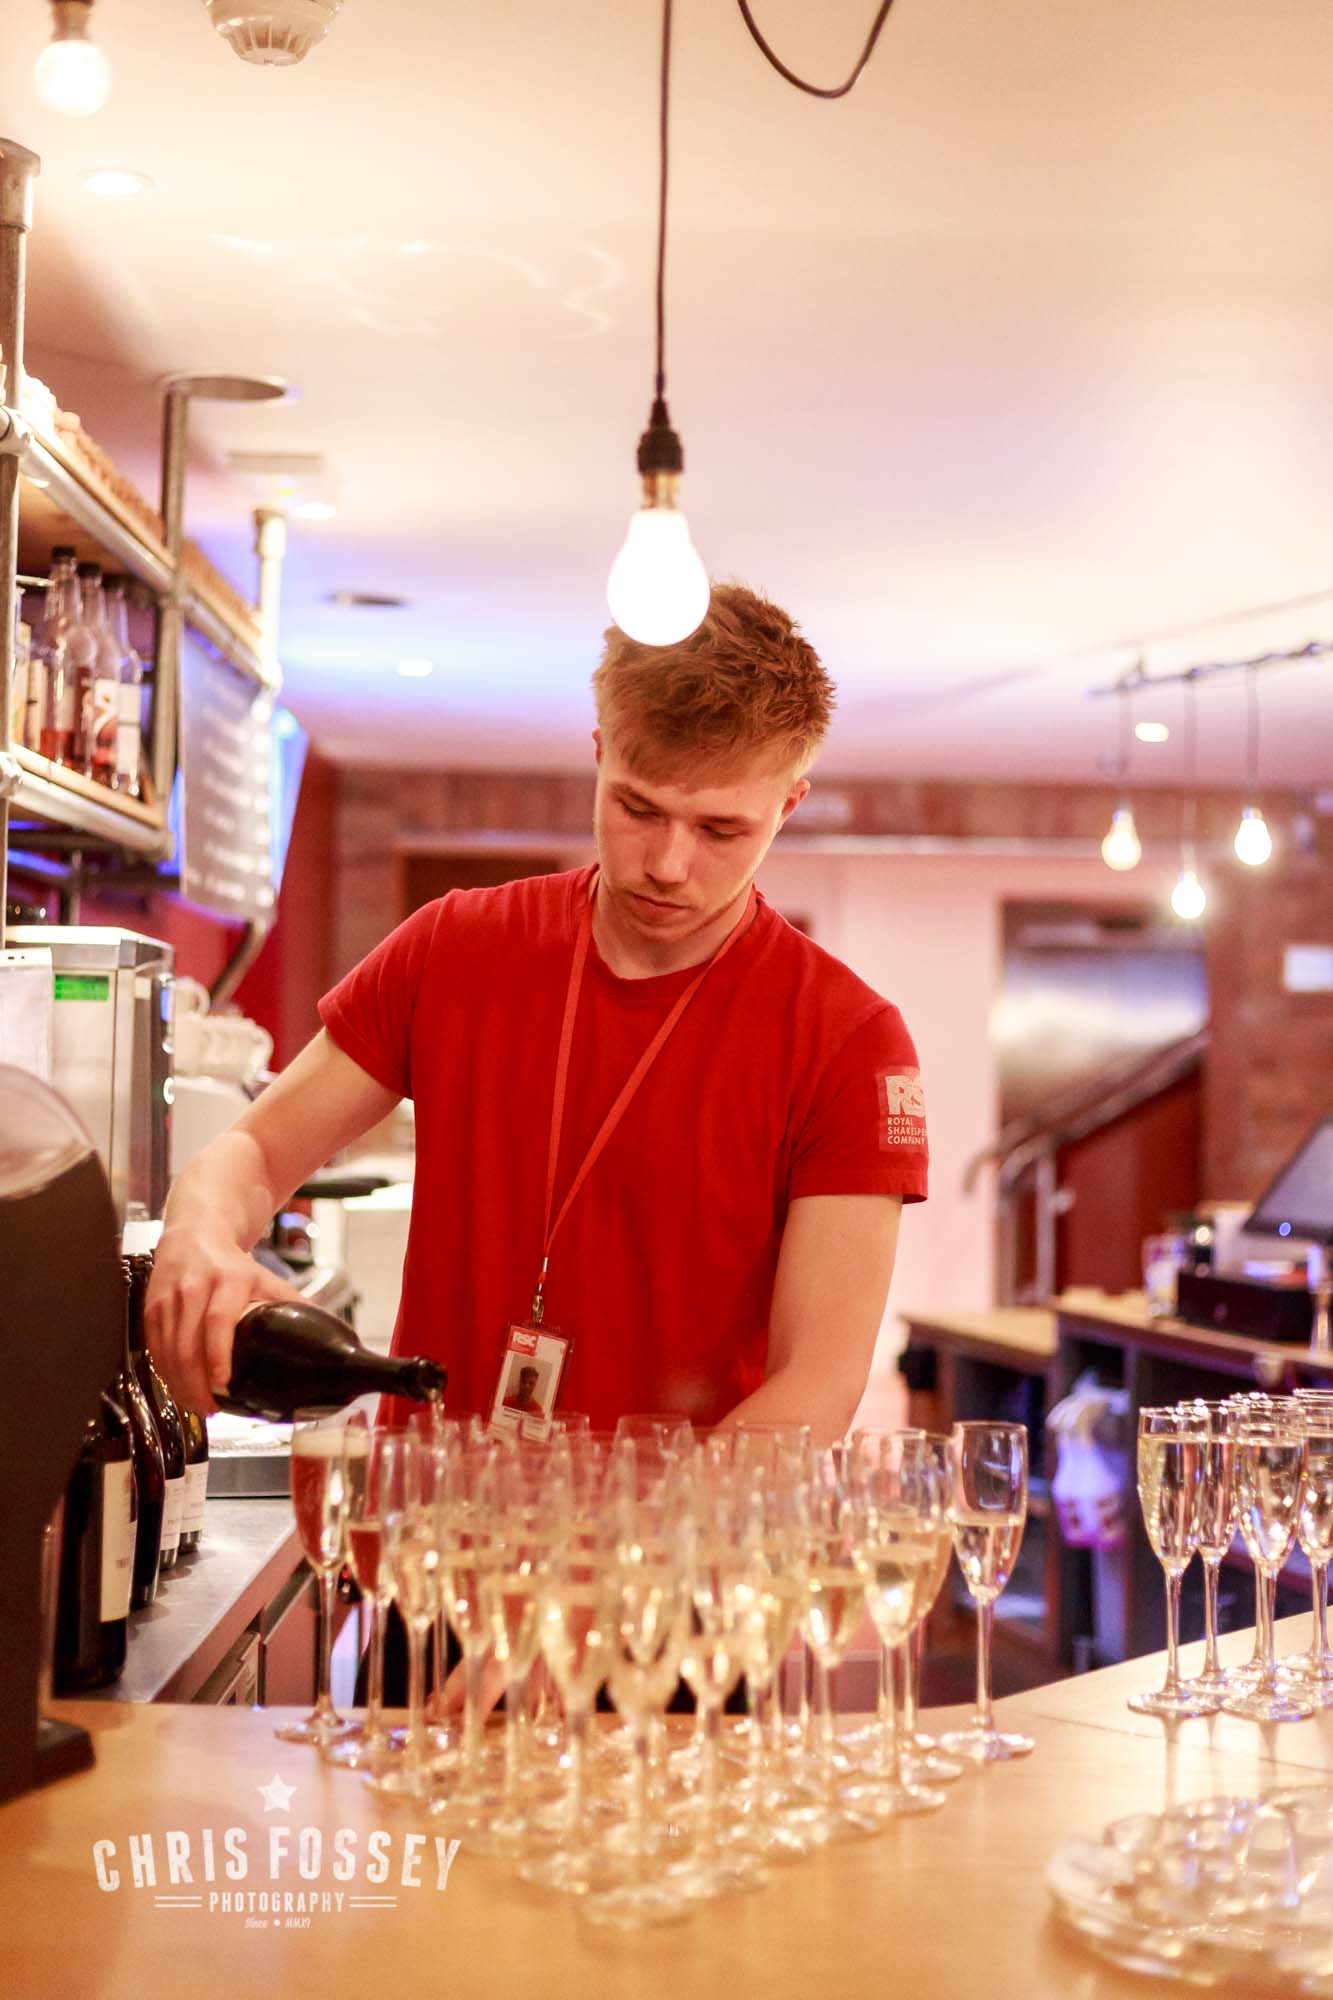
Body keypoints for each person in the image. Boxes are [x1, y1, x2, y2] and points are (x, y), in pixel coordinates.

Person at [147, 583, 929, 1448]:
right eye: (638, 808)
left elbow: (815, 1385)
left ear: (786, 806)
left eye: (720, 830)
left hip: (683, 1568)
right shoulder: (455, 946)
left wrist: (626, 1564)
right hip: (432, 1547)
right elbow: (255, 1154)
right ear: (599, 754)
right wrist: (199, 1227)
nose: (669, 864)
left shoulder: (848, 1041)